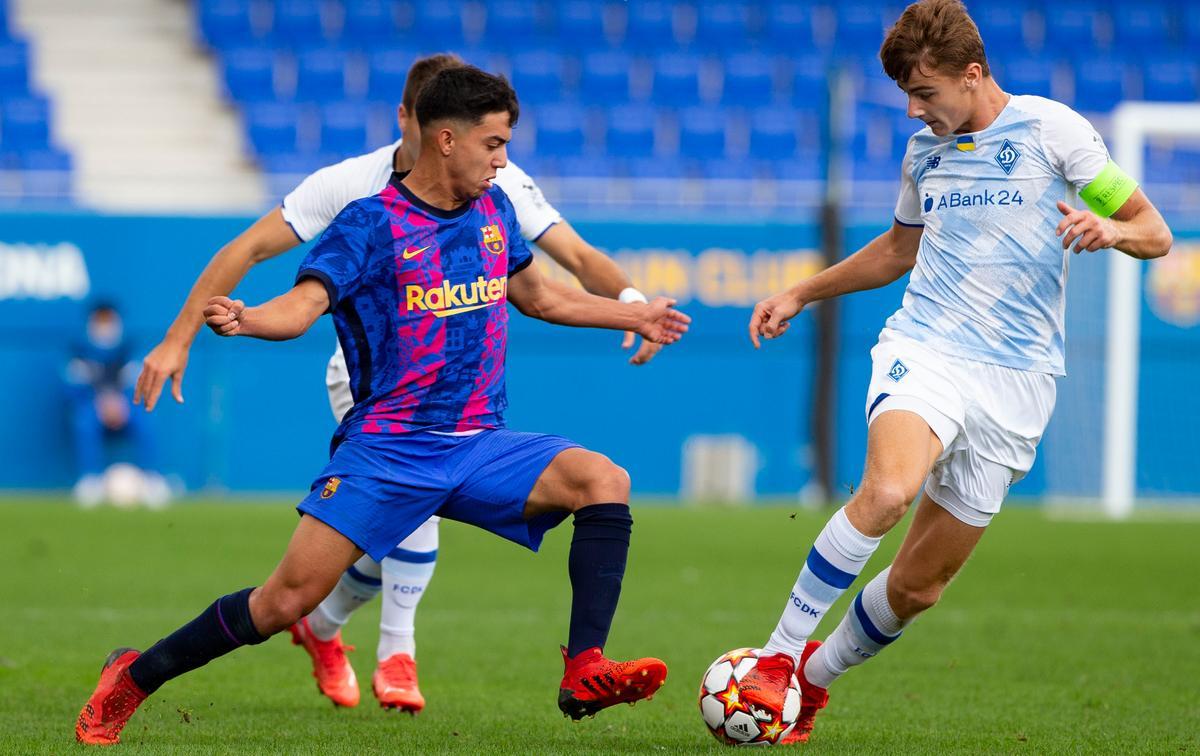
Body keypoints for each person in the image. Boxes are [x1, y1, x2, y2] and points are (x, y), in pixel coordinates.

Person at [76, 65, 687, 746]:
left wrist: (632, 315)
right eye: (493, 143)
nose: (503, 159)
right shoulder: (369, 222)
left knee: (603, 480)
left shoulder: (496, 209)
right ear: (446, 139)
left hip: (480, 441)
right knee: (283, 602)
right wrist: (246, 319)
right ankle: (133, 676)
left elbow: (543, 296)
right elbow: (302, 306)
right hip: (390, 449)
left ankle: (584, 668)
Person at [740, 0, 1172, 745]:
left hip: (1019, 380)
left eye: (926, 93)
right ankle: (775, 659)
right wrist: (801, 290)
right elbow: (897, 252)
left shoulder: (1052, 131)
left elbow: (1155, 233)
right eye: (907, 95)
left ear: (973, 75)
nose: (914, 109)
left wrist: (1111, 227)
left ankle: (810, 684)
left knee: (917, 588)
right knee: (888, 489)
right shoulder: (923, 153)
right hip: (927, 348)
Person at [66, 302, 169, 508]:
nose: (105, 326)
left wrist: (120, 403)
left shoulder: (127, 349)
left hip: (125, 406)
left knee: (144, 418)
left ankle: (151, 478)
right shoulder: (78, 351)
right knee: (83, 421)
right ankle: (90, 480)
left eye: (108, 320)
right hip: (93, 407)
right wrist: (101, 402)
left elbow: (137, 382)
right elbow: (72, 387)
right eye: (100, 321)